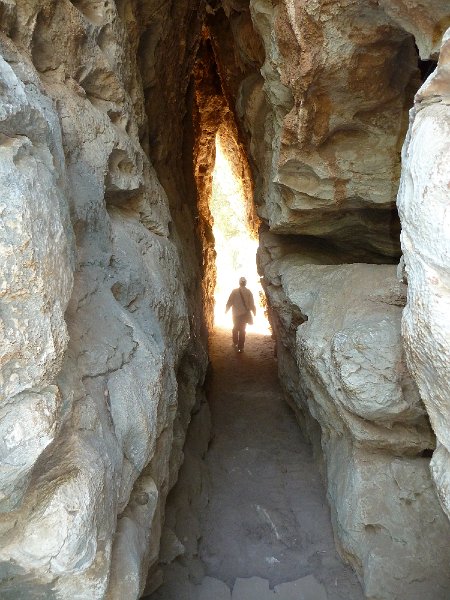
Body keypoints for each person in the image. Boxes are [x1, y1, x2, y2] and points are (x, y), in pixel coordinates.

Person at [225, 277, 256, 352]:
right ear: (245, 283)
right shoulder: (249, 292)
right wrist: (254, 311)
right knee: (242, 330)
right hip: (244, 314)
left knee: (235, 328)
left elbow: (230, 301)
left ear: (239, 283)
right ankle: (241, 347)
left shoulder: (234, 291)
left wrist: (226, 309)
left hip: (235, 314)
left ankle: (235, 342)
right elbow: (251, 303)